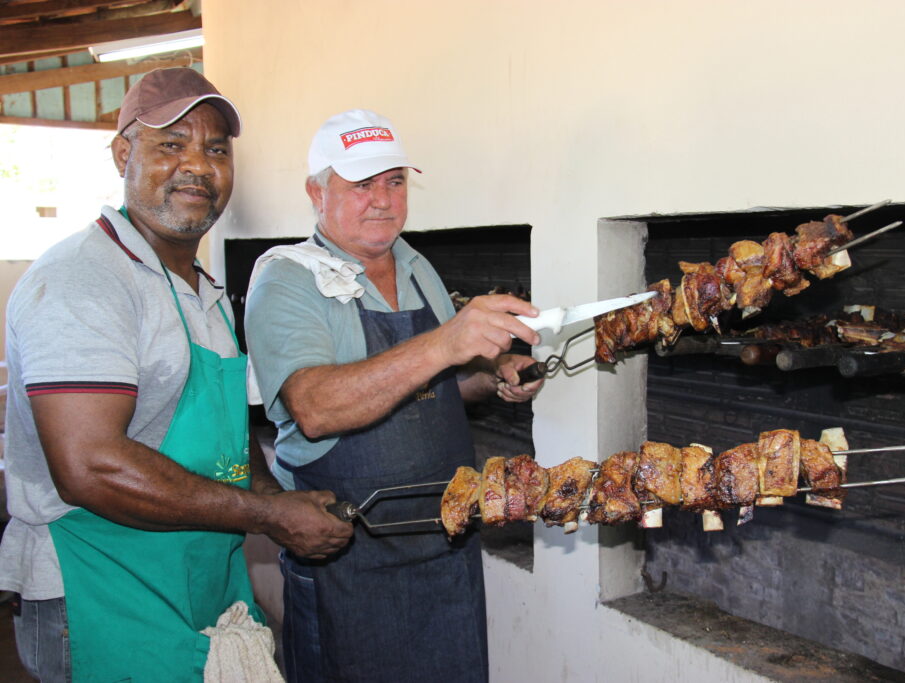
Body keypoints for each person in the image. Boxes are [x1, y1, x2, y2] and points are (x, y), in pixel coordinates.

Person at [0, 68, 353, 682]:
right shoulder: (84, 281)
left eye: (216, 149)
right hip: (97, 592)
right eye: (171, 143)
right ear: (122, 153)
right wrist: (265, 516)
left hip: (193, 580)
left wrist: (276, 498)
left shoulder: (202, 289)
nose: (198, 165)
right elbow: (91, 466)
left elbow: (224, 437)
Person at [244, 109, 544, 682]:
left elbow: (430, 386)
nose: (382, 200)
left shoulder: (415, 264)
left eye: (395, 181)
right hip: (352, 560)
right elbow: (315, 408)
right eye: (361, 184)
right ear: (316, 191)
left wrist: (493, 375)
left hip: (447, 545)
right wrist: (443, 343)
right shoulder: (288, 279)